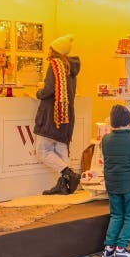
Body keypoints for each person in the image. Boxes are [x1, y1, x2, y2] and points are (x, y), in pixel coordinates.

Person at [35, 35, 81, 195]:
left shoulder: (54, 65)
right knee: (61, 148)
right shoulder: (70, 68)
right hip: (67, 113)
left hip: (52, 114)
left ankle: (69, 173)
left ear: (55, 51)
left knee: (41, 151)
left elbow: (48, 90)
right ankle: (63, 185)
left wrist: (38, 92)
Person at [100, 105, 130, 257]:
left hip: (112, 183)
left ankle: (108, 248)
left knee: (116, 215)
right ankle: (121, 248)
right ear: (129, 122)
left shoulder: (105, 139)